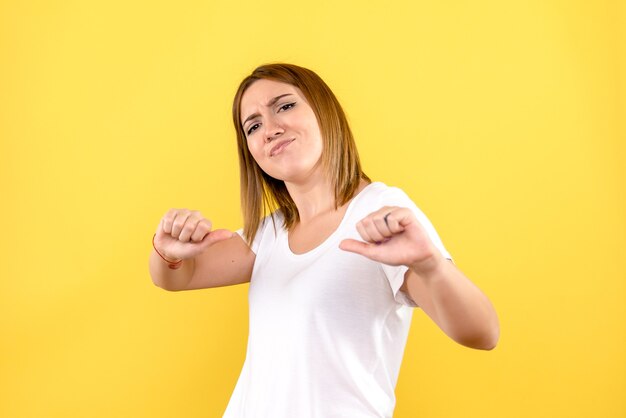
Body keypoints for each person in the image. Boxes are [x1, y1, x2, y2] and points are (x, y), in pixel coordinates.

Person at [149, 63, 499, 418]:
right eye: (253, 126)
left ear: (324, 110)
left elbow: (483, 333)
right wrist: (165, 250)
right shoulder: (273, 233)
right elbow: (178, 277)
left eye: (285, 106)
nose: (270, 129)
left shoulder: (380, 210)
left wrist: (431, 267)